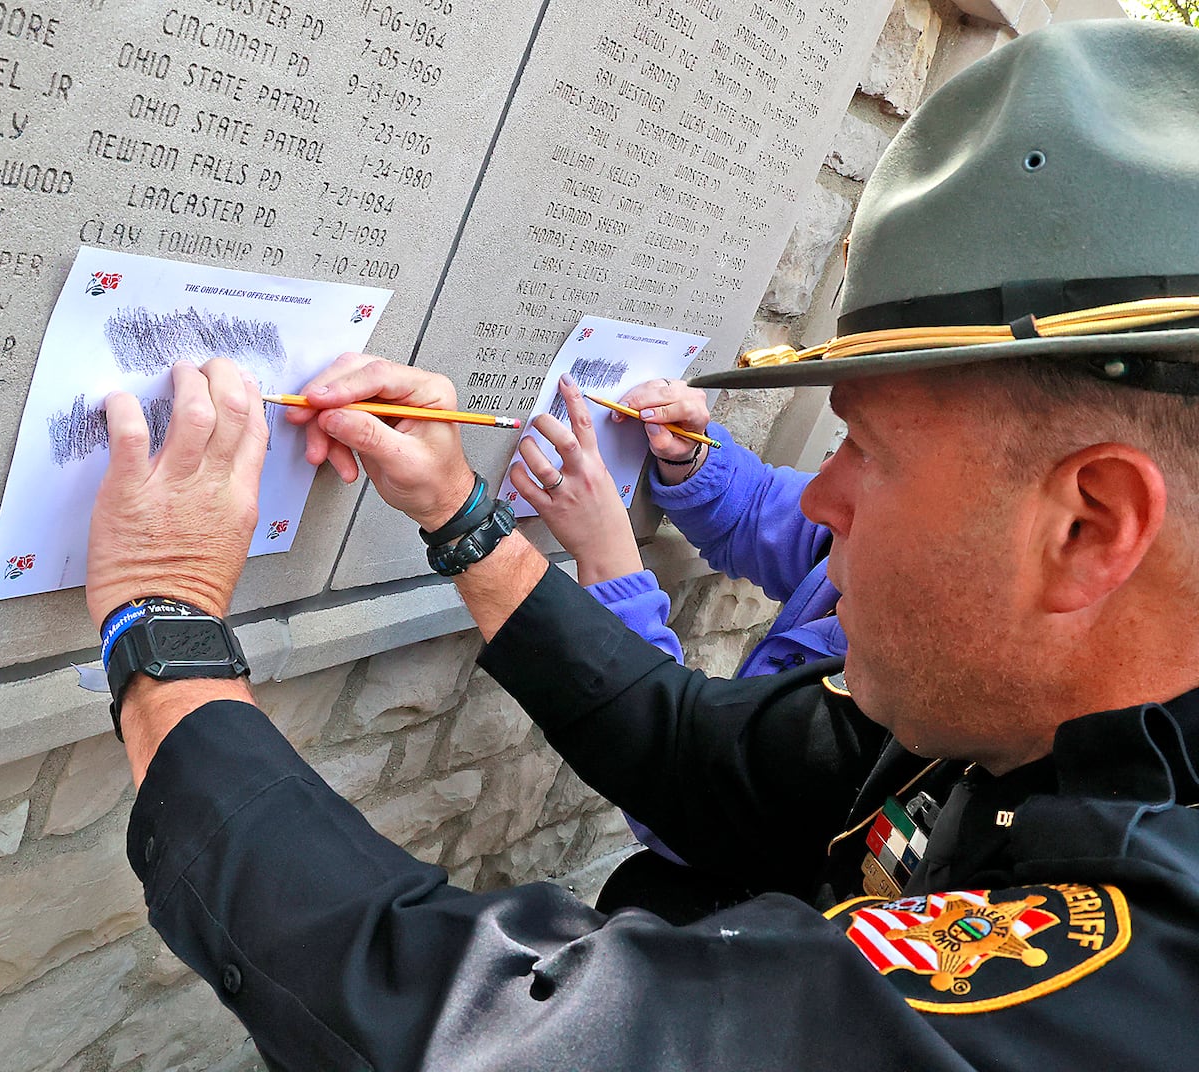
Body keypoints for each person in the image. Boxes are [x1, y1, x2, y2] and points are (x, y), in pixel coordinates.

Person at [91, 21, 1199, 1070]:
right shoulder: (1008, 710)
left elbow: (506, 1039)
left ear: (1085, 527)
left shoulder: (1123, 991)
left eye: (864, 447)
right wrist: (459, 511)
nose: (816, 500)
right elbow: (697, 758)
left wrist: (166, 628)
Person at [507, 374, 841, 916]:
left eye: (871, 451)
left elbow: (689, 784)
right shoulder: (897, 546)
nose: (825, 482)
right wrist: (691, 461)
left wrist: (605, 552)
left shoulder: (894, 698)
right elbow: (780, 518)